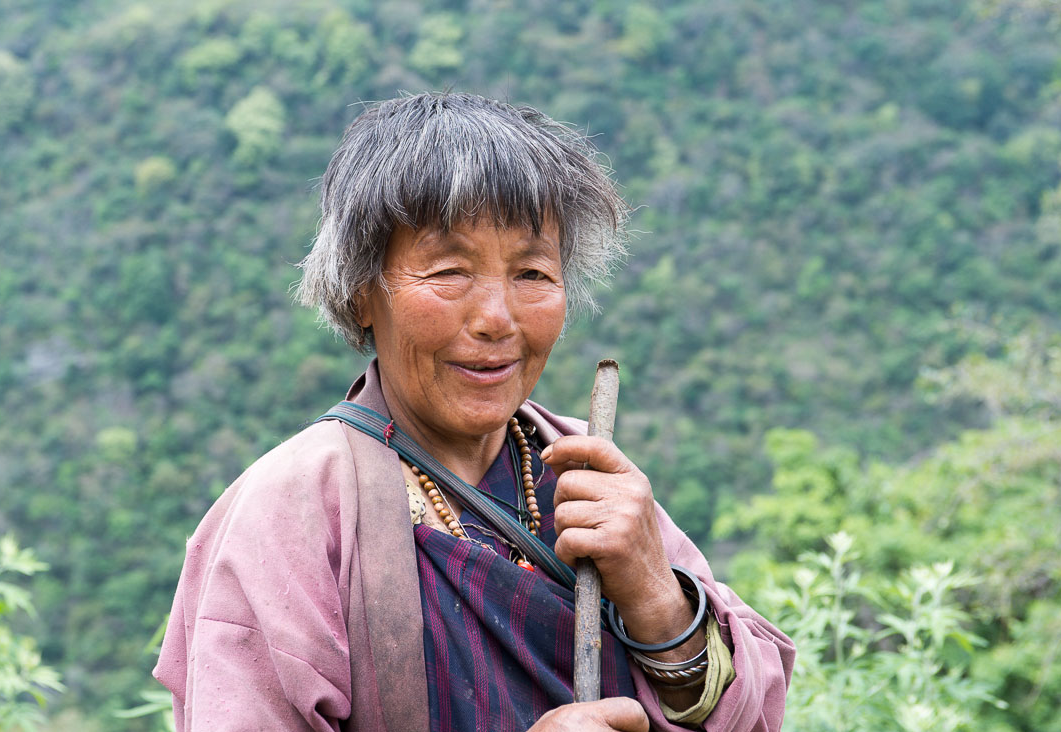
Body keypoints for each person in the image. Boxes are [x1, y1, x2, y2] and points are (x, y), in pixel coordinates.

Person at [155, 92, 794, 731]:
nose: (497, 319)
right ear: (360, 296)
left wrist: (659, 599)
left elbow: (752, 713)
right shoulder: (290, 513)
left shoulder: (583, 473)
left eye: (533, 274)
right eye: (450, 270)